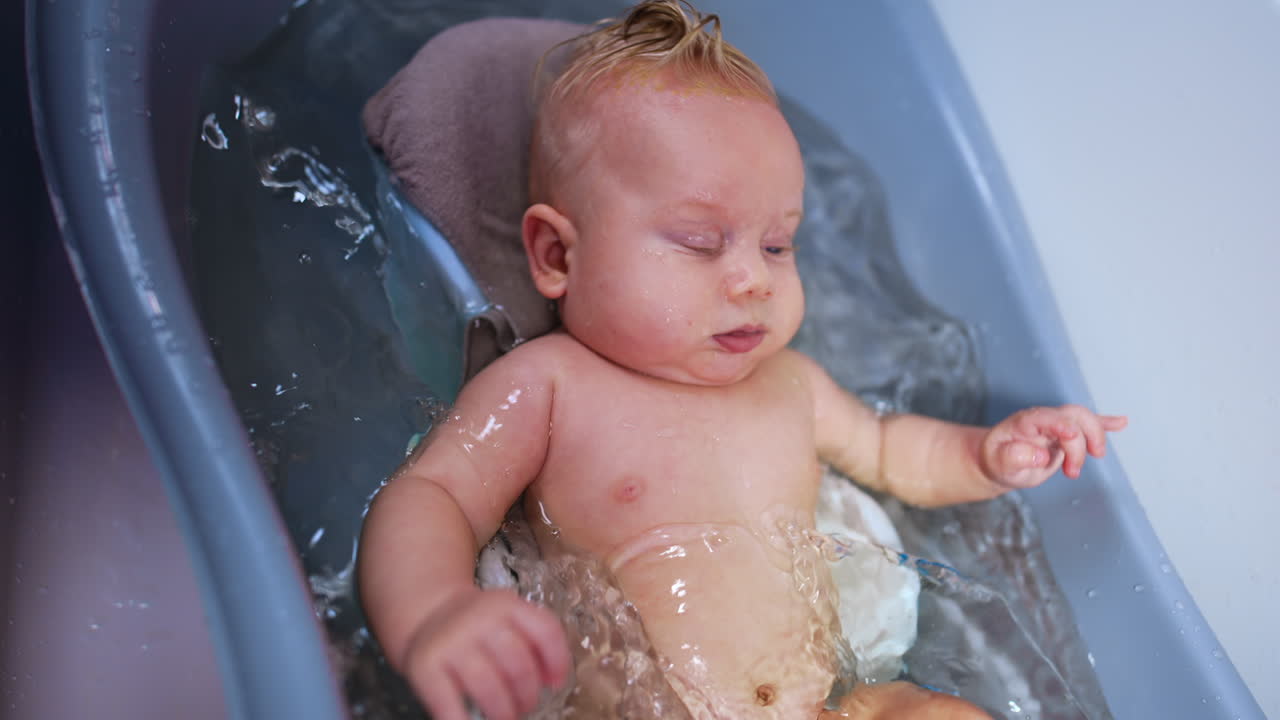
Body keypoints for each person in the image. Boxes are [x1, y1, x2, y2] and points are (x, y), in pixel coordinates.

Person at [358, 2, 1127, 718]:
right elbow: (434, 497)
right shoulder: (548, 388)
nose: (755, 279)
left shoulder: (789, 383)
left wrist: (989, 454)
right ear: (558, 254)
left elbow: (895, 453)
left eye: (777, 244)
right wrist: (434, 614)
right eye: (700, 243)